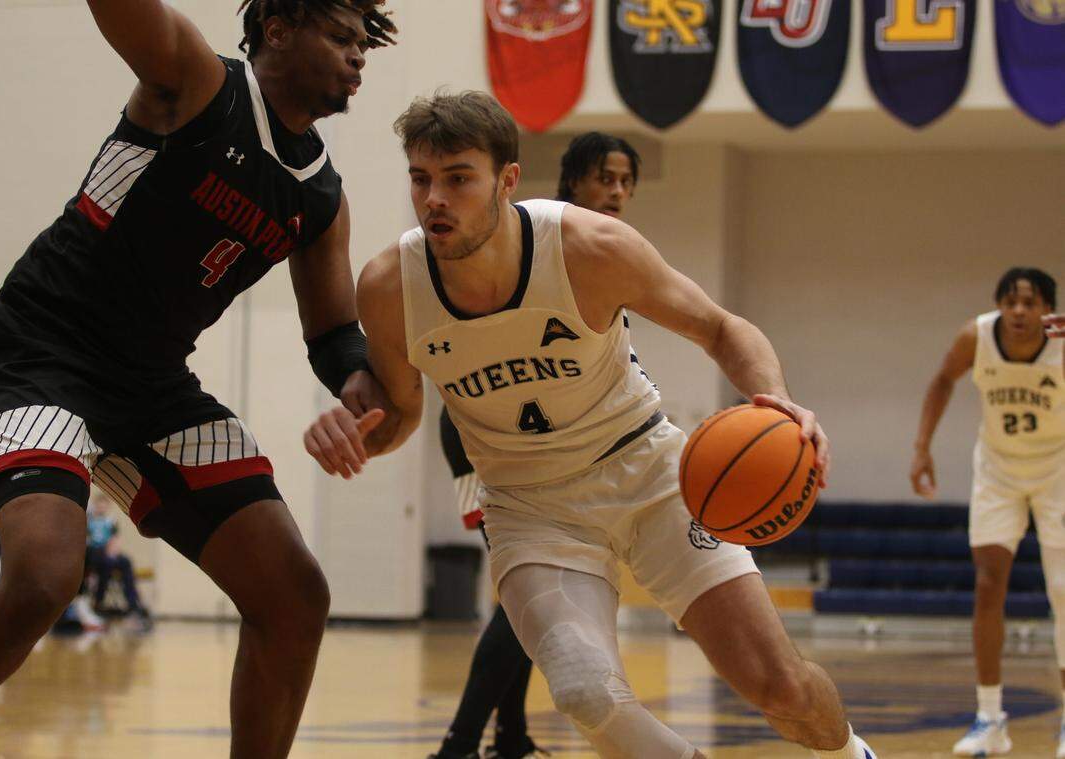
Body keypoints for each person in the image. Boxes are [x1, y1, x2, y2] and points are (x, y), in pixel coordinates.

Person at [304, 91, 876, 759]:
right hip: (529, 505)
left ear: (507, 181)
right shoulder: (389, 288)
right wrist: (355, 430)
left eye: (458, 177)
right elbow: (399, 414)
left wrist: (774, 397)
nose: (435, 198)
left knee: (781, 688)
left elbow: (722, 328)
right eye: (421, 178)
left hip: (649, 472)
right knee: (584, 690)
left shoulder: (588, 246)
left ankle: (850, 754)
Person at [0, 2, 398, 758]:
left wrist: (360, 385)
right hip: (42, 347)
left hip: (150, 385)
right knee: (46, 575)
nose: (357, 57)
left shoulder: (319, 196)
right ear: (277, 28)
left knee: (294, 594)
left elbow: (335, 334)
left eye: (361, 44)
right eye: (341, 37)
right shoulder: (196, 81)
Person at [429, 131, 644, 759]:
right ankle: (458, 745)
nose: (618, 192)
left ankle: (512, 735)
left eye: (628, 182)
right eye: (606, 177)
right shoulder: (537, 235)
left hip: (539, 435)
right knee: (523, 595)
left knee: (533, 595)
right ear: (574, 178)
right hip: (483, 434)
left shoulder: (606, 249)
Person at [910, 268, 1064, 757]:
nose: (1019, 311)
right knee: (988, 583)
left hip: (1058, 468)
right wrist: (922, 448)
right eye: (1011, 302)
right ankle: (989, 718)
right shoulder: (975, 336)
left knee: (1063, 591)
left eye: (1031, 303)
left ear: (1048, 310)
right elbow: (941, 381)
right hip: (998, 470)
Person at [86, 493, 149, 624]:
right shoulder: (89, 520)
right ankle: (99, 601)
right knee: (105, 563)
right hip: (93, 553)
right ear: (95, 506)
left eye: (104, 506)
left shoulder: (111, 521)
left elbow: (115, 540)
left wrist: (112, 552)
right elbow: (87, 539)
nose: (101, 508)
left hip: (108, 552)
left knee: (125, 561)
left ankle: (132, 602)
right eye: (99, 506)